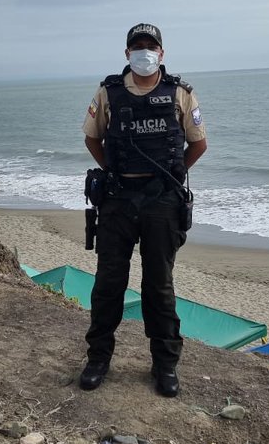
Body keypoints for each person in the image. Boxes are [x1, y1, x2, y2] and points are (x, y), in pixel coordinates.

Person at [79, 22, 207, 397]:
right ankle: (97, 359)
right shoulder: (108, 92)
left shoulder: (180, 93)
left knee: (159, 286)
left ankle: (165, 365)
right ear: (127, 53)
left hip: (161, 203)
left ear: (161, 53)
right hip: (118, 201)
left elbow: (198, 144)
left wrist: (172, 175)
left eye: (150, 46)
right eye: (137, 46)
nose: (144, 52)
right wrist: (113, 173)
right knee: (108, 284)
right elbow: (92, 137)